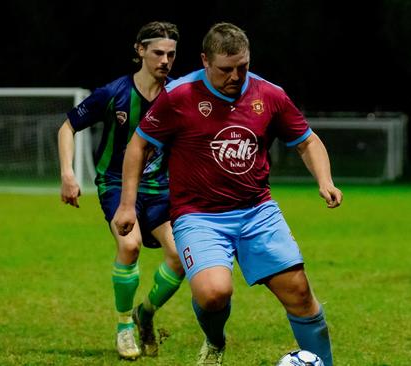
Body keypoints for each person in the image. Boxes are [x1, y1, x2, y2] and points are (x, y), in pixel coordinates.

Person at [112, 22, 342, 365]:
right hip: (198, 216)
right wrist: (128, 205)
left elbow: (306, 140)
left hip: (257, 212)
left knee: (300, 293)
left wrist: (324, 180)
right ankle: (215, 341)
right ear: (205, 60)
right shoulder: (179, 96)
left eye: (242, 67)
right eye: (225, 69)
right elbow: (139, 144)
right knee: (213, 293)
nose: (235, 76)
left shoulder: (270, 95)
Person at [57, 21, 185, 360]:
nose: (165, 61)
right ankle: (124, 326)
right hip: (115, 184)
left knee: (179, 258)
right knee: (130, 246)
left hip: (160, 189)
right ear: (140, 51)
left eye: (171, 54)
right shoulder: (113, 93)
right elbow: (68, 127)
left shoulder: (179, 96)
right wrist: (68, 174)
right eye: (158, 52)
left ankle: (146, 313)